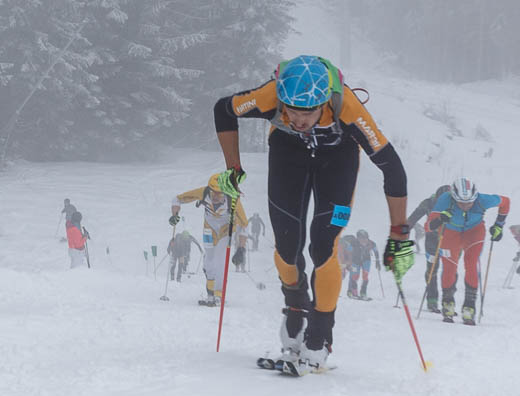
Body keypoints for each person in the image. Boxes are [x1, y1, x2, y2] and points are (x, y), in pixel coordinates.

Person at [215, 55, 410, 370]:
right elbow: (223, 109)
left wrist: (399, 231)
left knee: (323, 247)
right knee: (287, 247)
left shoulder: (347, 107)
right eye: (291, 110)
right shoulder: (270, 96)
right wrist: (233, 168)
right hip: (288, 157)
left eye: (307, 113)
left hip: (338, 162)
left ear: (324, 103)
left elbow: (394, 169)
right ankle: (295, 308)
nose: (298, 119)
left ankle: (319, 335)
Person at [414, 177, 510, 324]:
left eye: (469, 202)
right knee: (449, 266)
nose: (466, 206)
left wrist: (499, 225)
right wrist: (440, 219)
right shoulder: (445, 199)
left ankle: (469, 306)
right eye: (461, 203)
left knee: (471, 264)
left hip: (474, 232)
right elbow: (428, 226)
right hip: (450, 233)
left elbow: (505, 202)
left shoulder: (482, 199)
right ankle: (448, 302)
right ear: (454, 197)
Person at [170, 174, 249, 307]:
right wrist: (175, 215)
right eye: (213, 193)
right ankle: (210, 294)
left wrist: (241, 248)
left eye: (220, 194)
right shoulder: (203, 192)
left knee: (219, 260)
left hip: (226, 231)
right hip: (209, 229)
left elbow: (245, 224)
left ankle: (219, 294)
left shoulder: (233, 199)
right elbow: (177, 199)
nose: (215, 197)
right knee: (208, 262)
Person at [341, 228, 378, 301]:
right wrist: (346, 262)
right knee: (354, 276)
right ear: (357, 238)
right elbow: (346, 252)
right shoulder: (353, 244)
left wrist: (378, 261)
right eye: (361, 238)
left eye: (365, 238)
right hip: (355, 262)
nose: (364, 240)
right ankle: (352, 292)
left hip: (366, 261)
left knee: (365, 276)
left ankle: (363, 293)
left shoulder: (371, 243)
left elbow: (376, 251)